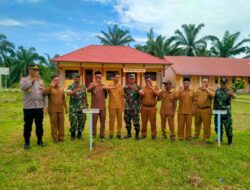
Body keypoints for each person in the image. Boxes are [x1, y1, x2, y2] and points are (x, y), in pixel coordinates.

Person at [20, 64, 46, 149]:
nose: (35, 71)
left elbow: (44, 94)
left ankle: (40, 141)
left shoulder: (41, 81)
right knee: (28, 125)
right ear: (29, 70)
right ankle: (27, 142)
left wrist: (46, 105)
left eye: (37, 70)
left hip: (39, 107)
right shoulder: (24, 79)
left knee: (39, 125)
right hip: (28, 107)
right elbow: (23, 87)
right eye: (33, 70)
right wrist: (32, 81)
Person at [43, 74, 68, 143]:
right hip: (52, 110)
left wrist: (66, 108)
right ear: (52, 80)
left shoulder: (61, 88)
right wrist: (51, 87)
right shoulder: (50, 88)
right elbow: (44, 93)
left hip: (60, 110)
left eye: (58, 80)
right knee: (54, 124)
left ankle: (61, 137)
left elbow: (63, 99)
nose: (57, 81)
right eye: (55, 80)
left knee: (61, 124)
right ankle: (55, 138)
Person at [213, 77, 236, 145]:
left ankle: (230, 141)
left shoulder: (229, 90)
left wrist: (231, 94)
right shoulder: (217, 91)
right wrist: (213, 109)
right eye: (222, 83)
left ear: (226, 83)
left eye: (224, 83)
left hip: (226, 113)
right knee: (218, 126)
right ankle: (219, 138)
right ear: (220, 83)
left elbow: (234, 96)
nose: (223, 84)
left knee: (228, 126)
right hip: (218, 112)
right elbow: (215, 101)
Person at [67, 73, 88, 140]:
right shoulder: (70, 86)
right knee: (74, 121)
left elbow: (85, 96)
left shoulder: (83, 86)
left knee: (82, 121)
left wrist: (86, 104)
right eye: (77, 77)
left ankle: (79, 134)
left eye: (79, 77)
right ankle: (73, 134)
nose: (78, 79)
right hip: (73, 108)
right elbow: (68, 94)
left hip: (82, 107)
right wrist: (76, 90)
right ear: (74, 78)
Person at [87, 71, 107, 141]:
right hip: (94, 107)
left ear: (101, 77)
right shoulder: (92, 84)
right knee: (93, 122)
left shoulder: (103, 85)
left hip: (102, 107)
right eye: (97, 77)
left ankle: (102, 135)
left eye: (100, 77)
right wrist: (94, 86)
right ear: (94, 77)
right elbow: (88, 90)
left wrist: (104, 87)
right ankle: (93, 134)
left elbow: (106, 96)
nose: (98, 78)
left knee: (103, 122)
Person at [140, 75, 160, 140]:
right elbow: (140, 98)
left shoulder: (155, 87)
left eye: (149, 80)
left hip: (152, 108)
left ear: (151, 80)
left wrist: (151, 88)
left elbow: (157, 94)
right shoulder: (143, 87)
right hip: (144, 107)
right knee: (144, 122)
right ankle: (143, 135)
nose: (147, 82)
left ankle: (154, 135)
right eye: (146, 81)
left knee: (153, 122)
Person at [124, 73, 142, 140]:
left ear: (135, 79)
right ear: (128, 79)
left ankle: (137, 135)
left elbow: (142, 94)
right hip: (127, 108)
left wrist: (136, 90)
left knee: (136, 122)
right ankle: (128, 134)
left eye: (133, 78)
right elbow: (124, 96)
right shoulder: (125, 87)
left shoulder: (138, 87)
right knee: (127, 121)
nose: (131, 80)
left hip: (135, 108)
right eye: (130, 78)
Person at [107, 72, 124, 140]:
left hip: (119, 106)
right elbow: (104, 87)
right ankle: (111, 134)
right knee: (112, 120)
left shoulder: (121, 86)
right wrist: (113, 86)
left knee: (120, 120)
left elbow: (122, 97)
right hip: (112, 106)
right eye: (116, 77)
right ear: (113, 78)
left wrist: (123, 106)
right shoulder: (109, 85)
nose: (118, 78)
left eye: (118, 77)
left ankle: (119, 133)